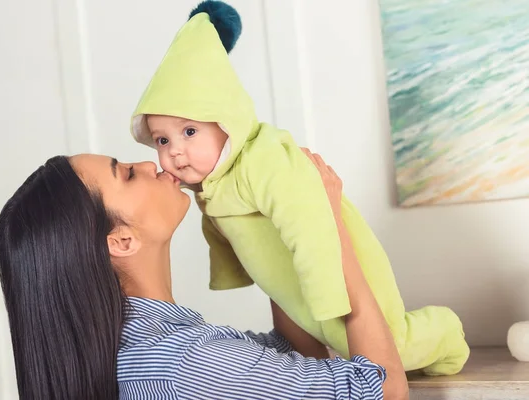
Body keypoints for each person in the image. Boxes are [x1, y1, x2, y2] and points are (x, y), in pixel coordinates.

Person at [130, 0, 469, 376]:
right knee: (327, 348)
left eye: (188, 131)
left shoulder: (264, 159)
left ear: (228, 122)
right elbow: (225, 230)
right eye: (161, 140)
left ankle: (446, 329)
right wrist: (238, 274)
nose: (174, 150)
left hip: (337, 275)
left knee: (392, 347)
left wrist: (329, 298)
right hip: (297, 290)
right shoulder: (211, 182)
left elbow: (308, 222)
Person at [0, 150, 408, 399]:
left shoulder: (145, 352)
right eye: (126, 173)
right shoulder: (183, 363)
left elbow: (295, 357)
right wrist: (328, 225)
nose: (146, 162)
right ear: (120, 241)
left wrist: (258, 230)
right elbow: (383, 391)